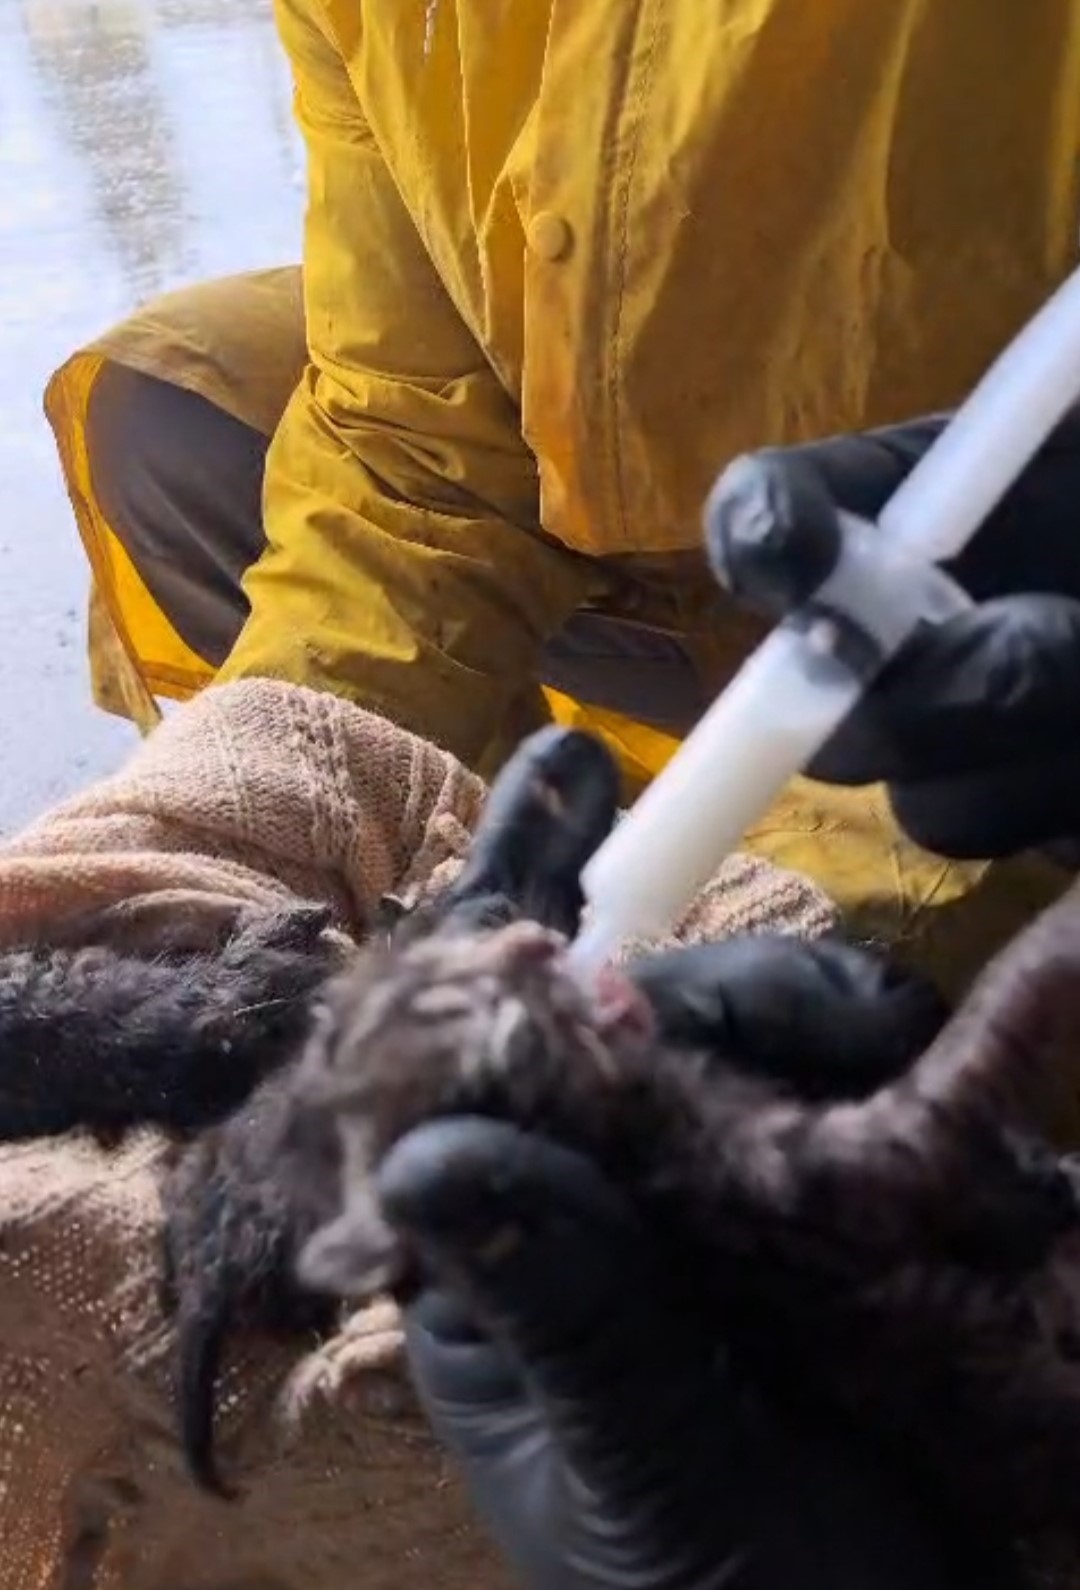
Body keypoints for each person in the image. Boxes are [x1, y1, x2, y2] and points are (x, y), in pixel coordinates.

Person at [22, 0, 1080, 1581]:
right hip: (705, 562)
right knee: (169, 405)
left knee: (799, 1127)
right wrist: (246, 799)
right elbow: (409, 455)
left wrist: (815, 897)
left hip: (963, 608)